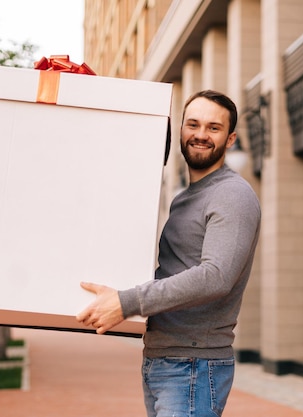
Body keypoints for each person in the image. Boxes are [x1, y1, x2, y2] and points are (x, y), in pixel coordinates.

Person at [76, 89, 261, 417]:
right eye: (193, 124)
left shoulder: (232, 194)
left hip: (193, 365)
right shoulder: (185, 198)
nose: (201, 135)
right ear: (180, 131)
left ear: (230, 139)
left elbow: (216, 277)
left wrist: (126, 301)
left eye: (213, 128)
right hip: (165, 360)